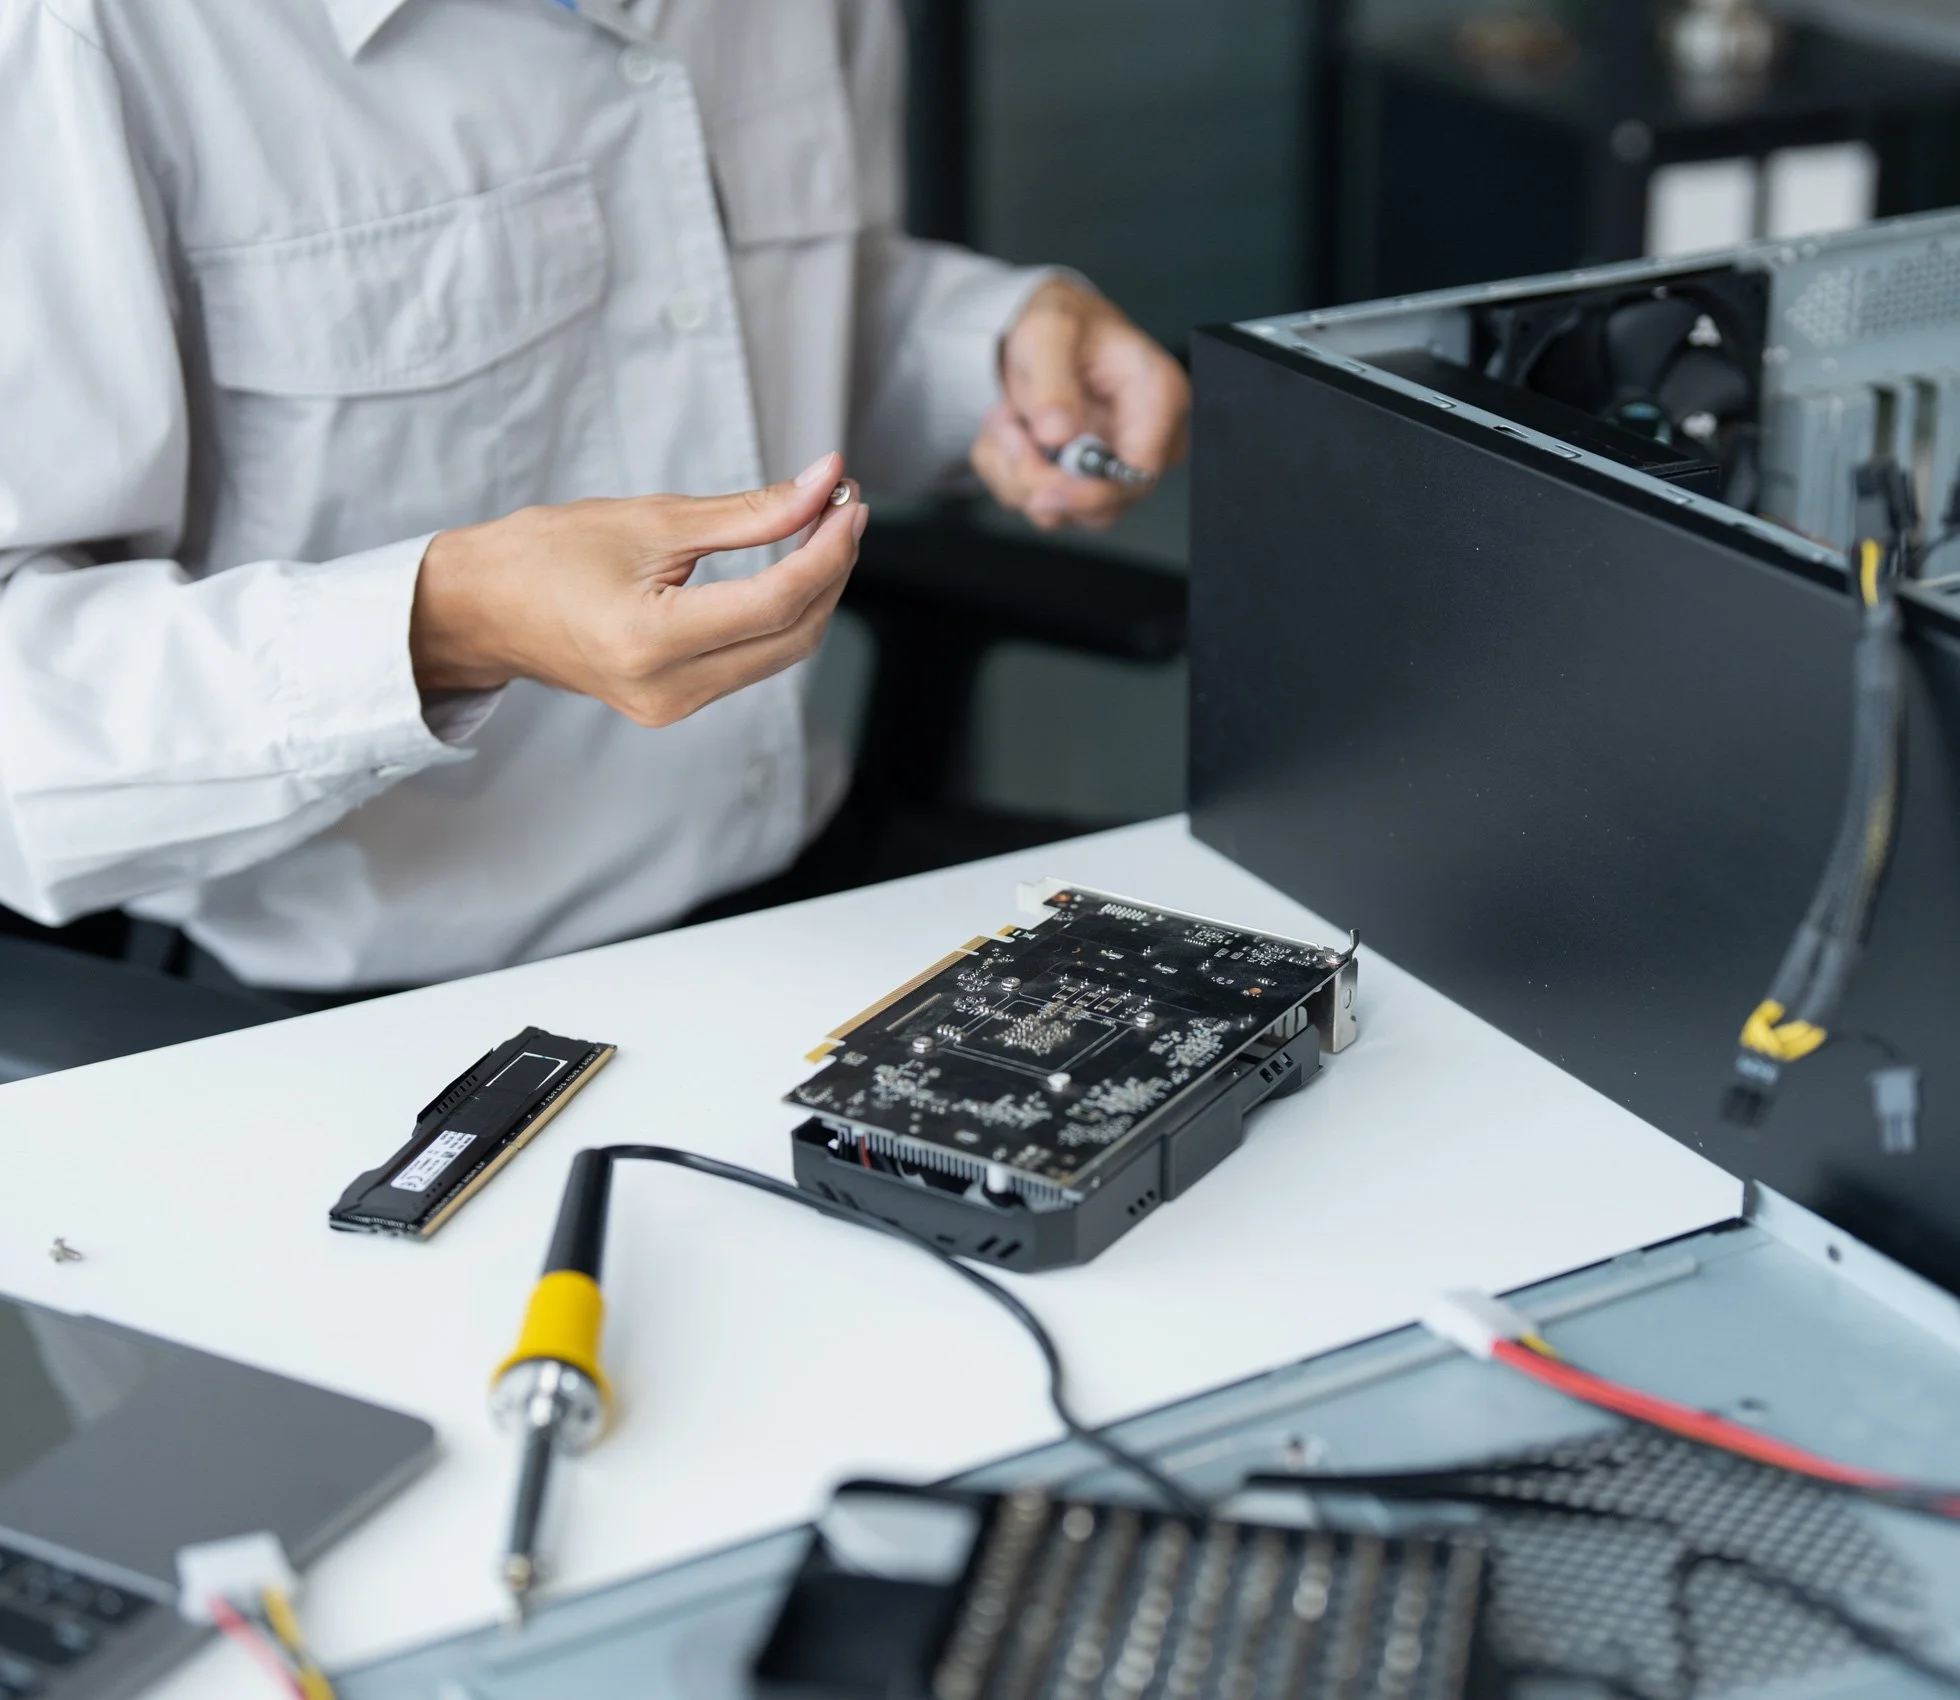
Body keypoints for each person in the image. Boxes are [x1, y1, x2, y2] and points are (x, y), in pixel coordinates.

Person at [0, 0, 1189, 998]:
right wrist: (442, 626)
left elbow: (764, 327)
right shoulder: (82, 33)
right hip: (348, 1008)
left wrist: (991, 344)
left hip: (804, 876)